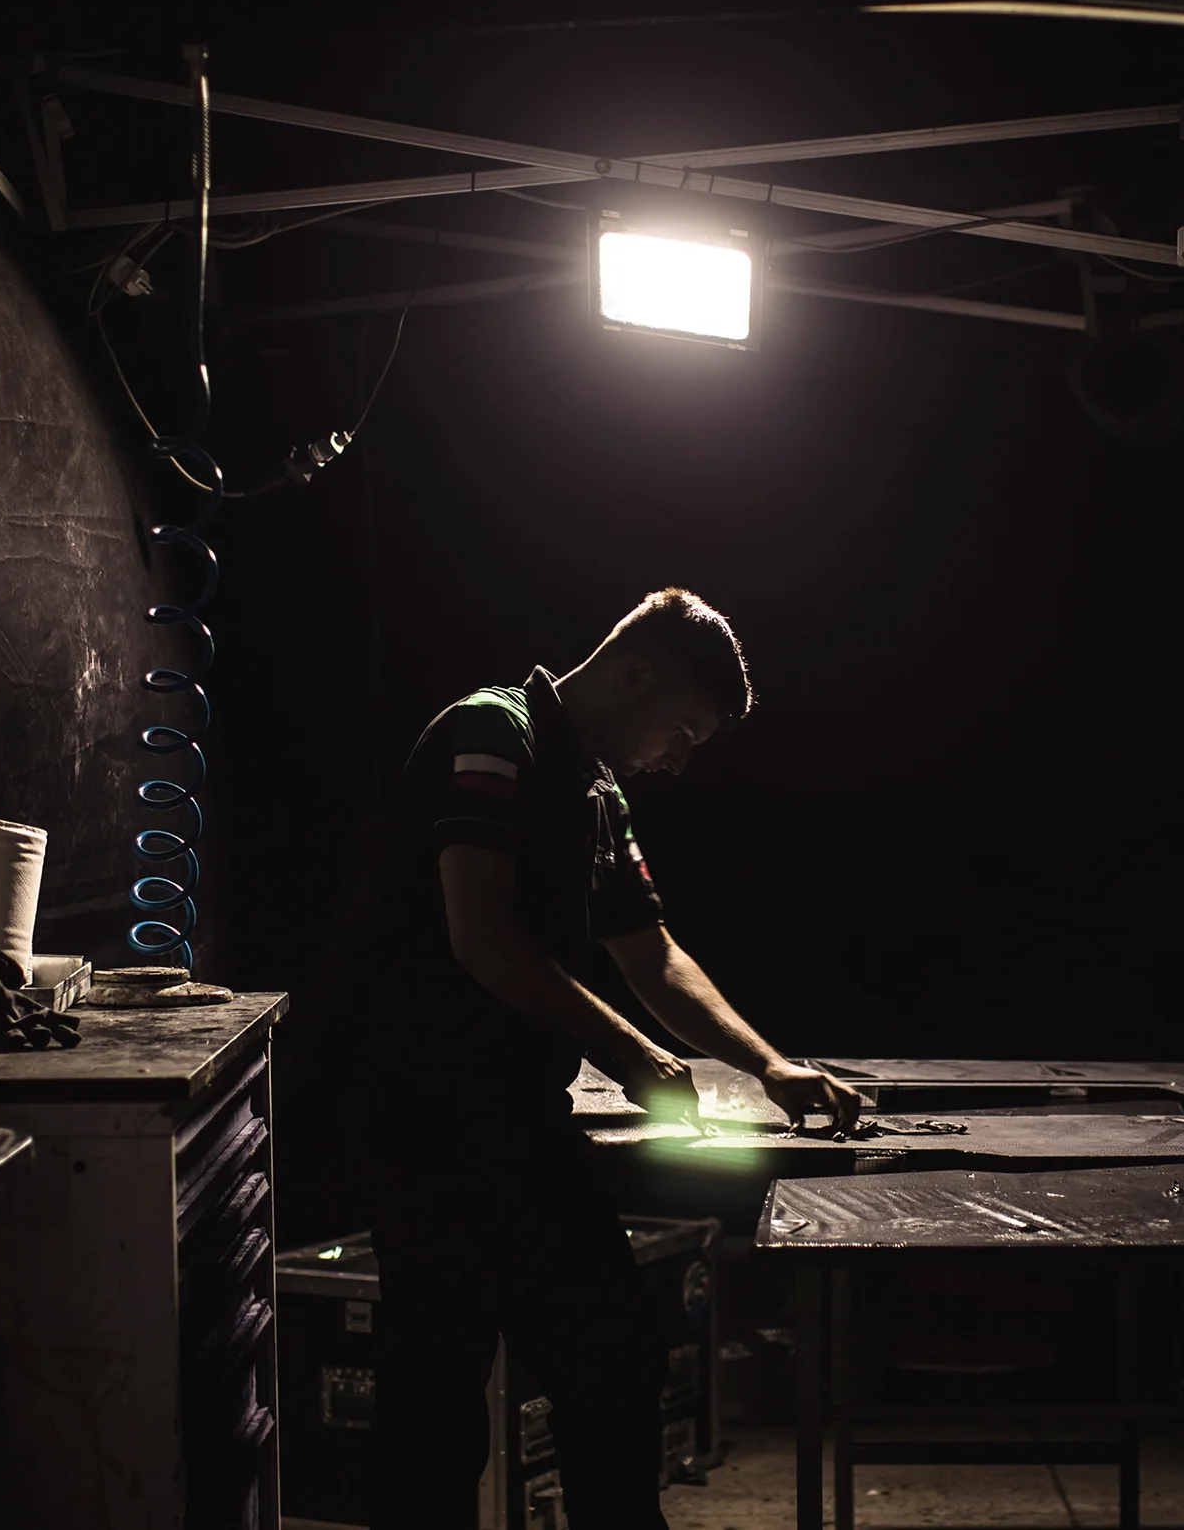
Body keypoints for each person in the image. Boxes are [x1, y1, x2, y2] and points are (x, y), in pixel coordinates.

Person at [357, 588, 859, 1528]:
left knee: (617, 1366)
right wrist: (631, 1052)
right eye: (683, 730)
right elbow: (480, 935)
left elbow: (651, 951)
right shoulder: (491, 736)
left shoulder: (598, 791)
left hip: (518, 1124)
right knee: (436, 1410)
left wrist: (769, 1066)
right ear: (635, 674)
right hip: (429, 1127)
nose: (677, 760)